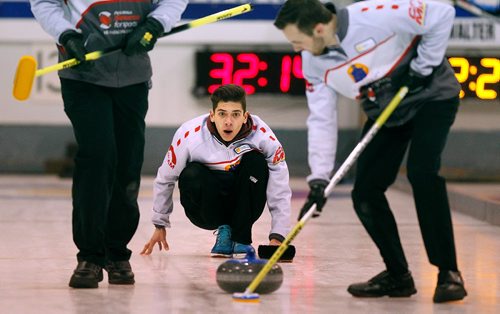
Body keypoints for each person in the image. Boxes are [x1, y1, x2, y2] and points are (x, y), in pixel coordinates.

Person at [274, 0, 467, 303]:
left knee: (422, 172)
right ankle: (398, 276)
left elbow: (442, 14)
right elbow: (322, 120)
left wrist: (423, 65)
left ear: (320, 28)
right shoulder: (313, 64)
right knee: (365, 192)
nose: (297, 49)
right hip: (387, 112)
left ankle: (448, 273)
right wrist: (319, 178)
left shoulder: (377, 15)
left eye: (298, 41)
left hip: (431, 96)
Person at [30, 0, 188, 288]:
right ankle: (89, 255)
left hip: (132, 76)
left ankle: (117, 253)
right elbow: (44, 3)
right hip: (83, 76)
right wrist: (66, 35)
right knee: (98, 157)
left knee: (128, 163)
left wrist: (155, 24)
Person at [141, 84, 292, 258]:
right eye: (222, 114)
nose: (228, 122)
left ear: (245, 117)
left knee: (256, 162)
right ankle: (224, 228)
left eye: (235, 114)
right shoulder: (189, 135)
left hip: (245, 203)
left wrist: (278, 236)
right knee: (191, 173)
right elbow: (165, 178)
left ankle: (241, 237)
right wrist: (159, 224)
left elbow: (280, 186)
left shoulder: (264, 137)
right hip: (206, 210)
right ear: (212, 115)